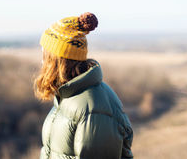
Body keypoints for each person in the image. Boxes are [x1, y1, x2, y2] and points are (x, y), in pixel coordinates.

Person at [33, 12, 134, 159]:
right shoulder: (68, 95)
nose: (42, 62)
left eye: (45, 56)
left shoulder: (93, 109)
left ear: (58, 61)